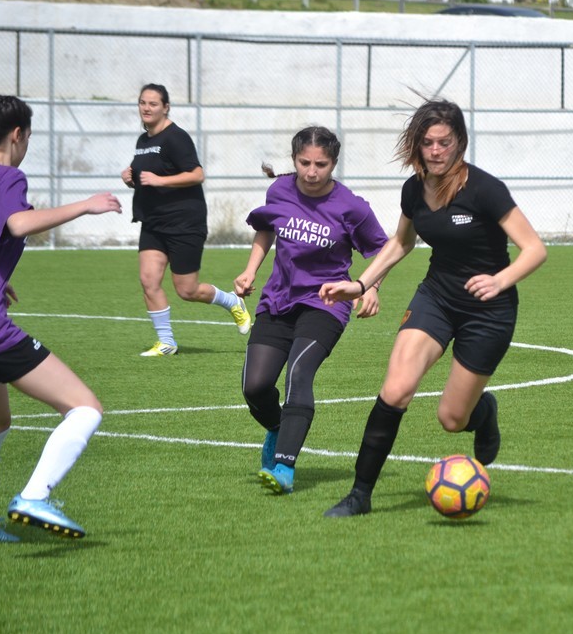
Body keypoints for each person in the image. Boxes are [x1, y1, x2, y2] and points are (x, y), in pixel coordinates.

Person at [318, 98, 547, 518]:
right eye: (428, 143)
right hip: (437, 298)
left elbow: (534, 249)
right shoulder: (414, 189)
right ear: (417, 145)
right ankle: (359, 495)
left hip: (488, 311)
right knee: (395, 390)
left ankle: (483, 410)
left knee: (452, 419)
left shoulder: (485, 189)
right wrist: (361, 284)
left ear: (460, 142)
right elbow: (402, 243)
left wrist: (500, 280)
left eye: (444, 142)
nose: (436, 151)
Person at [0, 95, 123, 541]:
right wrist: (85, 205)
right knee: (85, 408)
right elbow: (17, 224)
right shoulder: (8, 176)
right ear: (17, 135)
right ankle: (34, 496)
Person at [234, 127, 387, 495]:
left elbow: (383, 250)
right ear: (294, 160)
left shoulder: (351, 206)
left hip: (326, 302)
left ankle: (284, 467)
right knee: (254, 387)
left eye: (321, 164)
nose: (312, 171)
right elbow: (266, 228)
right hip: (278, 298)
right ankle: (278, 428)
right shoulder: (279, 190)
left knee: (299, 373)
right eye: (305, 163)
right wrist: (250, 270)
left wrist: (371, 288)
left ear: (333, 164)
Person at [121, 83, 251, 357]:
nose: (146, 108)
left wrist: (160, 180)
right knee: (148, 280)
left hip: (184, 223)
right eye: (143, 102)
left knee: (187, 290)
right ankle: (166, 342)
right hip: (153, 222)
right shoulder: (143, 141)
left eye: (153, 104)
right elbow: (148, 178)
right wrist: (130, 178)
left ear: (166, 107)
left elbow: (196, 174)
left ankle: (232, 302)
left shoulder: (175, 137)